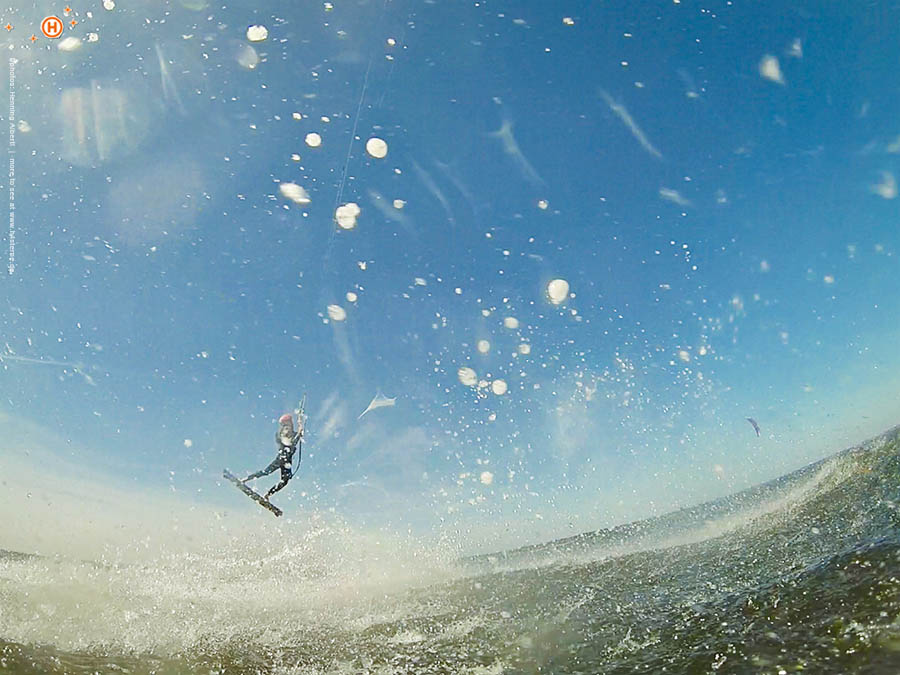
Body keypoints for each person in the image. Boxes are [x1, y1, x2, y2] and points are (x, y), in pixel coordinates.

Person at [243, 412, 303, 500]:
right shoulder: (281, 434)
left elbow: (297, 436)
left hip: (288, 462)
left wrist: (300, 424)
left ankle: (268, 495)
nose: (285, 427)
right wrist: (299, 433)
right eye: (283, 425)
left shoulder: (293, 434)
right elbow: (290, 441)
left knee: (284, 481)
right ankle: (246, 479)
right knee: (266, 472)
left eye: (287, 424)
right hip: (281, 459)